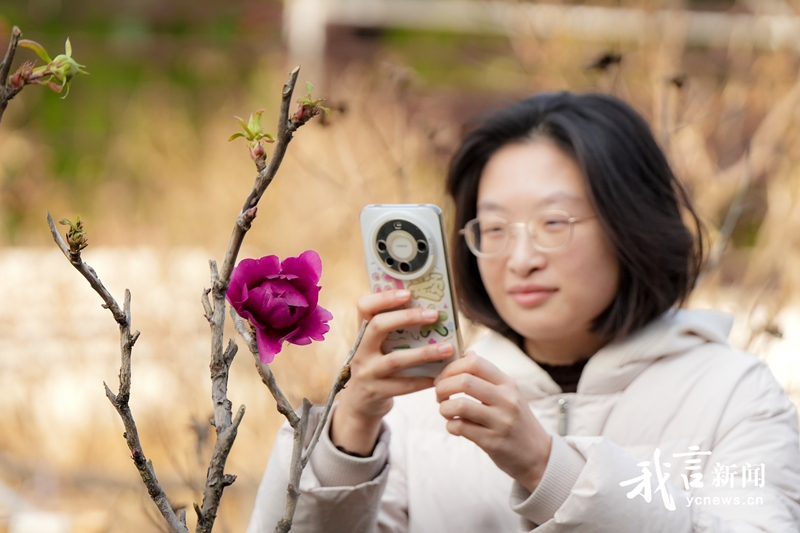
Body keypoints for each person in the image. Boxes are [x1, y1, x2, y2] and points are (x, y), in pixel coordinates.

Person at [246, 92, 800, 532]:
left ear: (632, 222)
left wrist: (547, 467)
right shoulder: (418, 407)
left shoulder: (734, 395)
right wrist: (349, 433)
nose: (520, 259)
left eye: (554, 223)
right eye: (493, 228)